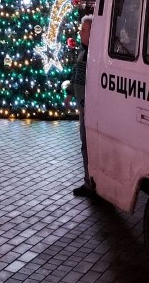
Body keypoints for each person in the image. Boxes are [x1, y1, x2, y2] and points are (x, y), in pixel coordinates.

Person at [65, 14, 97, 198]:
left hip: (89, 108)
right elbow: (76, 75)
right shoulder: (83, 53)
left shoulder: (93, 56)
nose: (80, 32)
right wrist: (70, 92)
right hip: (83, 107)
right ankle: (89, 181)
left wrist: (85, 103)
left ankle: (93, 183)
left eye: (83, 30)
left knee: (89, 146)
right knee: (84, 146)